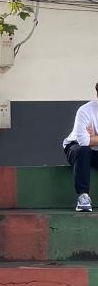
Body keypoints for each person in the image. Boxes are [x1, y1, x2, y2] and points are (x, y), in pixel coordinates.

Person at [62, 81, 98, 212]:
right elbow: (83, 142)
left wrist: (94, 138)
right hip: (75, 147)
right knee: (83, 150)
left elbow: (89, 140)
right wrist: (90, 140)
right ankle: (83, 196)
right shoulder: (85, 111)